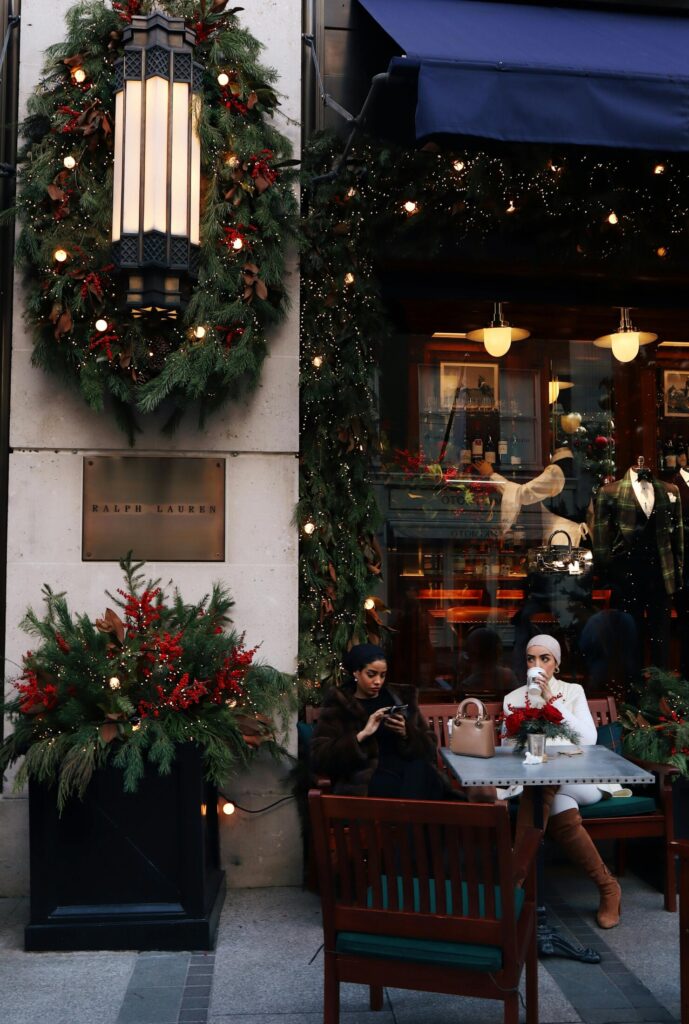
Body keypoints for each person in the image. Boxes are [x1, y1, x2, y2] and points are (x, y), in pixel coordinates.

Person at [503, 634, 622, 929]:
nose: (538, 665)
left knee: (542, 791)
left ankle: (513, 887)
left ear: (556, 663)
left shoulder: (573, 691)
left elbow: (589, 739)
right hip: (545, 787)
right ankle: (609, 888)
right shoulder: (514, 698)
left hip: (581, 780)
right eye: (531, 659)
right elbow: (507, 749)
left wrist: (552, 705)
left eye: (545, 659)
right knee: (551, 800)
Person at [311, 643, 455, 800]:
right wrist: (361, 735)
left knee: (423, 771)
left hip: (407, 770)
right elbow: (319, 756)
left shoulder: (400, 697)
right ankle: (411, 822)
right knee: (402, 784)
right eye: (371, 674)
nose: (378, 681)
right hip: (368, 777)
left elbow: (429, 746)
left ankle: (410, 821)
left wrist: (407, 734)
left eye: (383, 675)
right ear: (356, 673)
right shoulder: (340, 704)